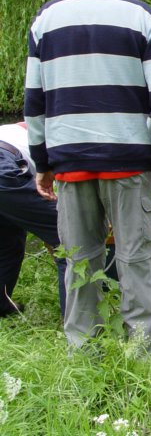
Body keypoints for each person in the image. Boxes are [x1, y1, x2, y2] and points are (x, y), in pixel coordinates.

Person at [24, 0, 151, 355]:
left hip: (68, 159)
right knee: (137, 257)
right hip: (129, 160)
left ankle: (83, 350)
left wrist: (41, 161)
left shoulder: (46, 19)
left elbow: (34, 101)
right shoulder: (141, 16)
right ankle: (140, 351)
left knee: (79, 259)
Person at [0, 121, 66, 318]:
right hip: (4, 169)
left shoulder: (20, 128)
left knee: (7, 242)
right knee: (69, 237)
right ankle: (79, 327)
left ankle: (1, 306)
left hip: (7, 167)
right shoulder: (59, 133)